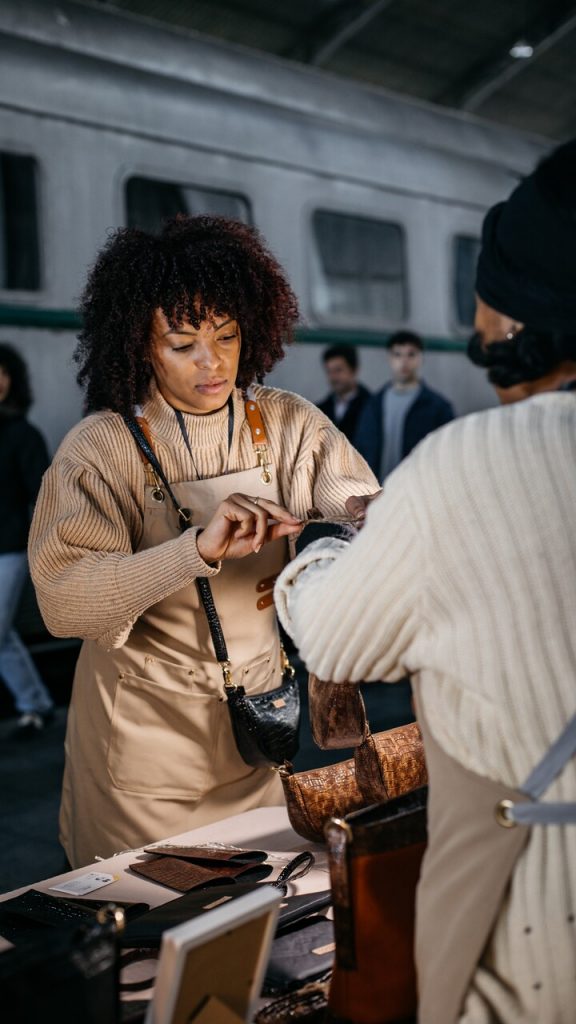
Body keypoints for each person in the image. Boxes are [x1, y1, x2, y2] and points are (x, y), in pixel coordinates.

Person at [274, 138, 576, 1023]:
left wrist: (326, 550)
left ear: (517, 316)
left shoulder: (469, 461)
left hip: (536, 948)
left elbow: (335, 636)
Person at [28, 215, 379, 868]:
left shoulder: (281, 420)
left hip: (256, 739)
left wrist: (369, 516)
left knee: (261, 922)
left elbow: (352, 492)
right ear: (139, 346)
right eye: (183, 343)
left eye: (226, 336)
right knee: (149, 942)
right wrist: (195, 550)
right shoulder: (100, 449)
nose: (213, 362)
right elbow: (64, 603)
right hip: (146, 758)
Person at [0, 344, 53, 738]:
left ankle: (33, 704)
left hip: (9, 548)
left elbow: (44, 494)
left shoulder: (24, 434)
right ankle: (36, 704)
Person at [354, 329, 454, 481]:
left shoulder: (438, 408)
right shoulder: (373, 405)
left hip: (417, 491)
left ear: (421, 358)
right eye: (397, 354)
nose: (404, 361)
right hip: (378, 493)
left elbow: (446, 453)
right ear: (389, 358)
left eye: (411, 354)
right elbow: (359, 451)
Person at [316, 344, 370, 442]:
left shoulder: (372, 407)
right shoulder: (320, 410)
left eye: (338, 370)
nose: (333, 377)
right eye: (329, 371)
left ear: (354, 370)